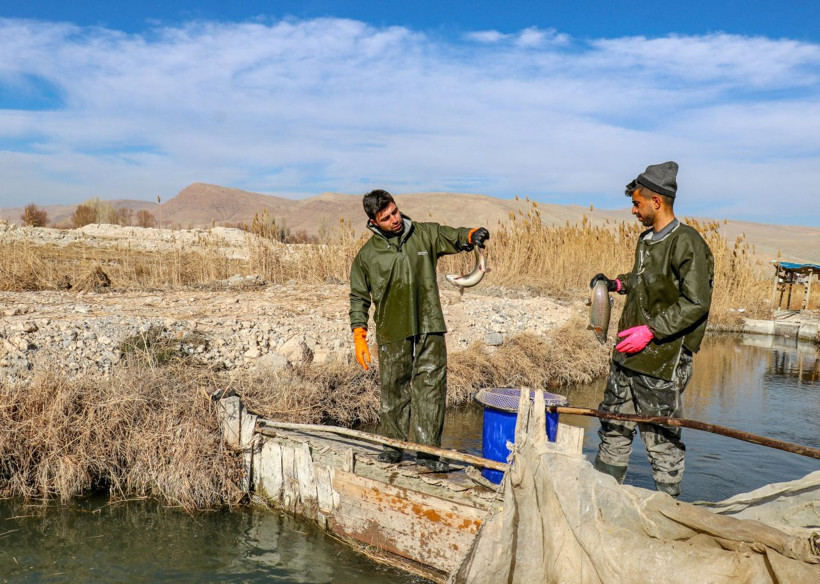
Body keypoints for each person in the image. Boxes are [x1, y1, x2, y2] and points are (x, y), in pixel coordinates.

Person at [590, 161, 714, 497]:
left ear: (656, 202)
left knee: (662, 441)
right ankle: (603, 502)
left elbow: (696, 303)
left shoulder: (687, 243)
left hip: (662, 358)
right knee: (613, 427)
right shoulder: (646, 240)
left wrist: (652, 331)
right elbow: (644, 281)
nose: (633, 210)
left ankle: (667, 514)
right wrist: (615, 283)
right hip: (627, 352)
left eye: (637, 203)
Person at [349, 189, 489, 472]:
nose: (395, 219)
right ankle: (393, 448)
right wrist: (358, 334)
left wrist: (471, 234)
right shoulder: (366, 256)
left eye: (395, 211)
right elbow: (358, 297)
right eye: (386, 217)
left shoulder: (423, 235)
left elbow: (451, 235)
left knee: (432, 389)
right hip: (392, 330)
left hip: (429, 324)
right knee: (394, 389)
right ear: (374, 222)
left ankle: (427, 453)